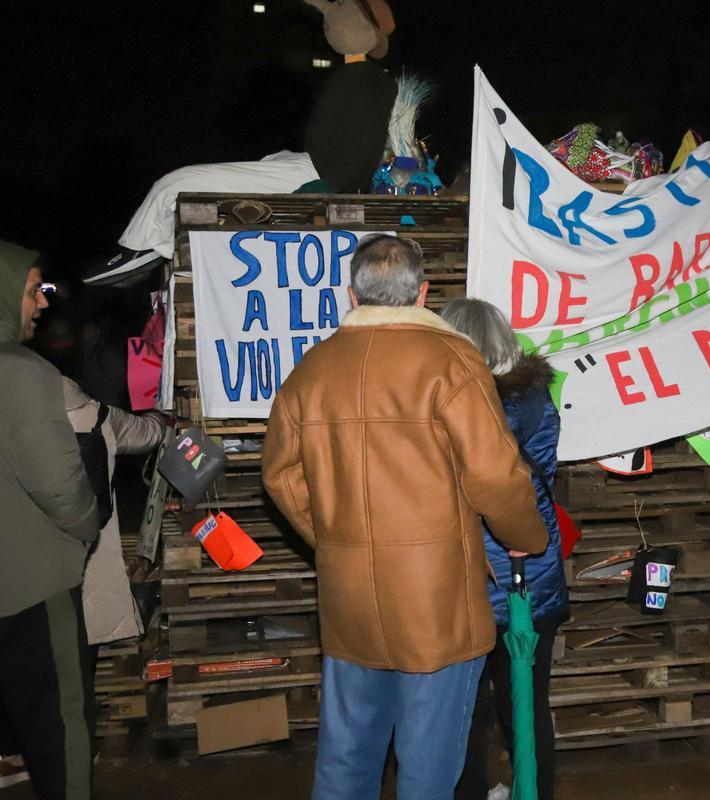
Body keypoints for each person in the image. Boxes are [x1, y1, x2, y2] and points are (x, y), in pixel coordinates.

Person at [261, 235, 548, 800]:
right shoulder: (451, 362)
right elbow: (494, 475)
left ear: (352, 295)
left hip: (349, 598)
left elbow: (280, 475)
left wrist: (338, 541)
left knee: (345, 760)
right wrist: (526, 537)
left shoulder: (312, 370)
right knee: (428, 766)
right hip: (437, 601)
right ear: (422, 294)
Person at [84, 0, 397, 286]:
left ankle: (137, 246)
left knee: (176, 182)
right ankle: (152, 244)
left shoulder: (362, 81)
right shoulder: (365, 79)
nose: (328, 22)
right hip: (309, 165)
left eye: (337, 12)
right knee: (247, 167)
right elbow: (355, 147)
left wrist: (327, 186)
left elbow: (360, 149)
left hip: (313, 172)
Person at [442, 299, 568, 800]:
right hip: (534, 575)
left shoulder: (473, 409)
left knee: (464, 711)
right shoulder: (535, 397)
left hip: (478, 577)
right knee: (526, 706)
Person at [0, 240, 100, 800]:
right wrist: (89, 527)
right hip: (30, 586)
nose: (42, 302)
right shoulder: (19, 371)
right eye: (33, 289)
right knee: (60, 726)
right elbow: (59, 486)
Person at [62, 377, 167, 645]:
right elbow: (148, 433)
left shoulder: (13, 422)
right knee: (82, 636)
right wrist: (161, 411)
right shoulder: (95, 416)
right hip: (87, 548)